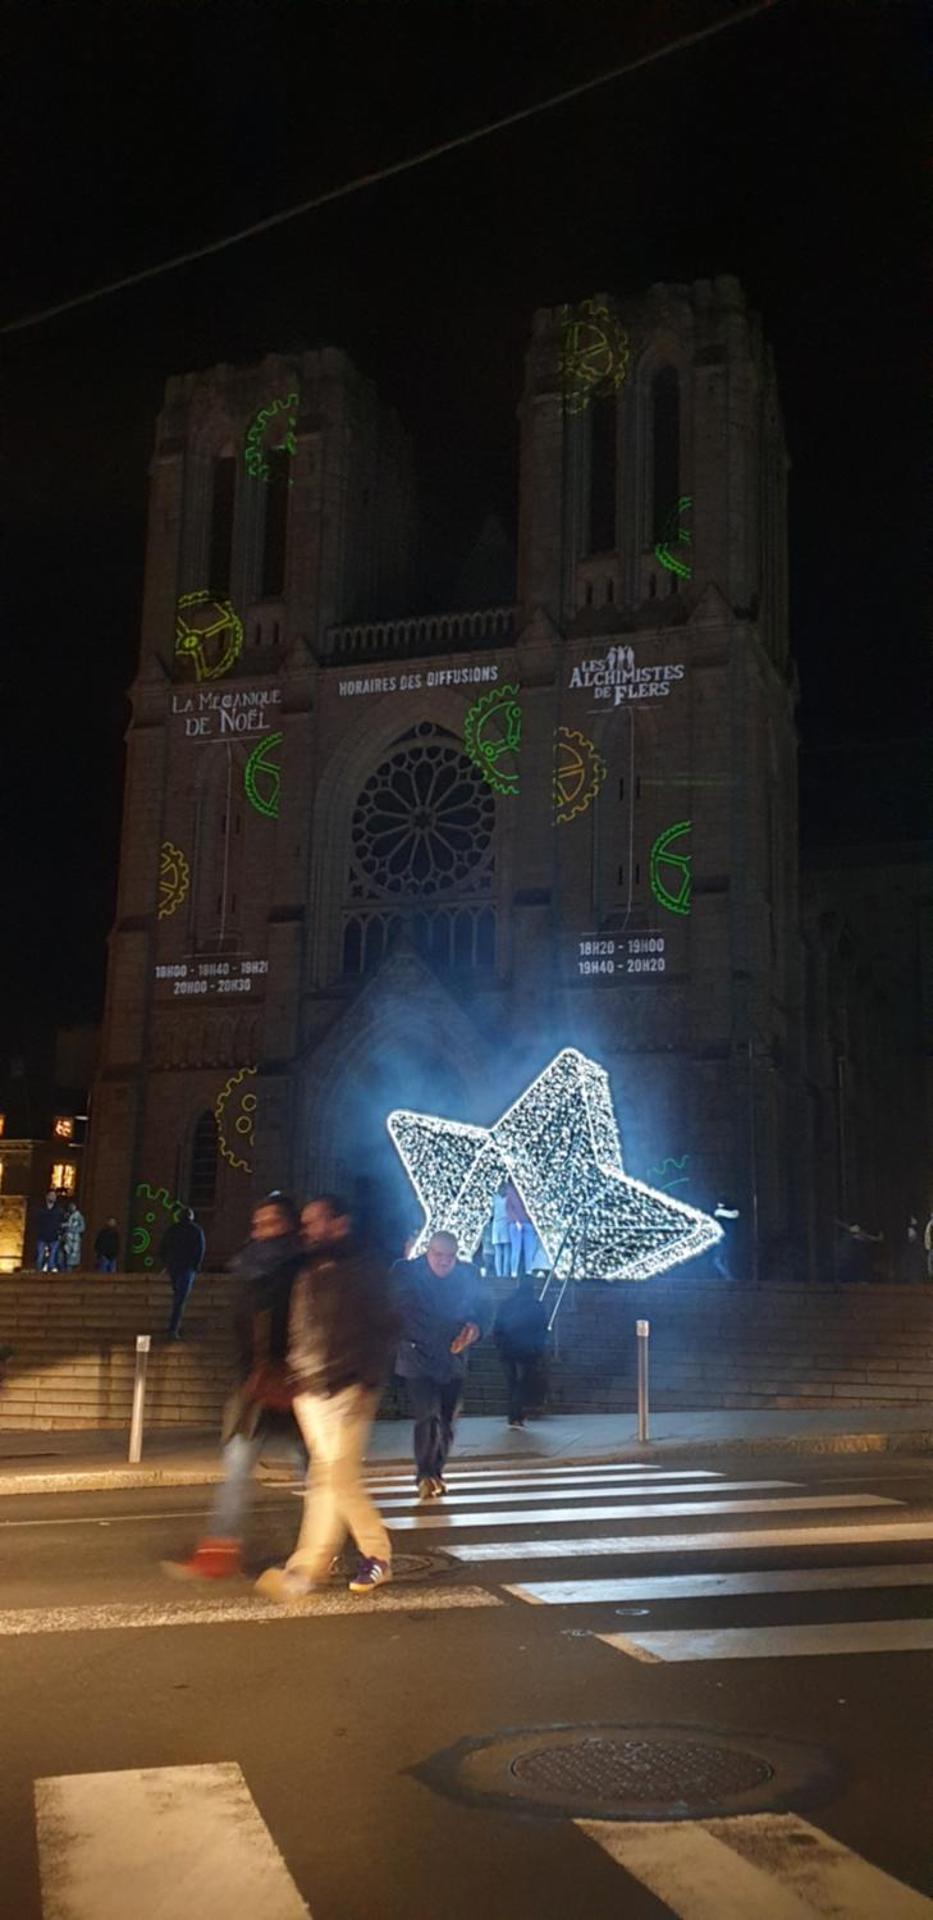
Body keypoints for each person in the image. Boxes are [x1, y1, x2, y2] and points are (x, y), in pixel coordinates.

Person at [257, 1193, 400, 1600]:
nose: (308, 1228)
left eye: (316, 1220)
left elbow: (386, 1326)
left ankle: (366, 1555)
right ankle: (319, 1564)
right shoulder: (305, 1268)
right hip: (310, 1390)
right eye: (304, 1221)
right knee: (329, 1476)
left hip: (348, 1388)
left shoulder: (365, 1268)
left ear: (340, 1223)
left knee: (333, 1475)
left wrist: (367, 1380)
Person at [164, 1193, 307, 1580]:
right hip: (257, 1383)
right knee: (237, 1465)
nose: (260, 1231)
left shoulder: (301, 1268)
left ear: (289, 1225)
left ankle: (315, 1552)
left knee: (314, 1474)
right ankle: (219, 1550)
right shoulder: (251, 1267)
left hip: (297, 1386)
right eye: (257, 1223)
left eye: (270, 1223)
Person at [392, 1229, 492, 1500]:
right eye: (438, 1255)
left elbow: (485, 1309)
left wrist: (476, 1329)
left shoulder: (468, 1275)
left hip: (453, 1358)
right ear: (428, 1252)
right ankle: (424, 1473)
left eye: (450, 1256)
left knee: (448, 1418)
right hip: (418, 1357)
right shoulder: (407, 1273)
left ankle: (436, 1470)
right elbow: (401, 1310)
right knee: (427, 1414)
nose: (444, 1262)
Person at [494, 1273, 550, 1428]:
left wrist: (499, 1344)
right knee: (522, 1382)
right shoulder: (536, 1306)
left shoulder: (507, 1304)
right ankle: (517, 1414)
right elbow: (542, 1328)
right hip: (528, 1351)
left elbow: (498, 1326)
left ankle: (513, 1414)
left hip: (507, 1349)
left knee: (511, 1382)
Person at [160, 1205, 206, 1338]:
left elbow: (163, 1246)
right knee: (180, 1297)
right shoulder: (196, 1230)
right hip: (187, 1267)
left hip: (174, 1265)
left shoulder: (172, 1229)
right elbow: (200, 1249)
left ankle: (173, 1326)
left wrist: (166, 1262)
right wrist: (197, 1265)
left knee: (178, 1294)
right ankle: (173, 1328)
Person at [506, 1182, 537, 1278]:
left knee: (526, 1250)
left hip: (525, 1223)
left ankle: (526, 1271)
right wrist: (516, 1221)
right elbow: (509, 1208)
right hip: (522, 1223)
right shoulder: (512, 1191)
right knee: (518, 1249)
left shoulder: (511, 1191)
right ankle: (515, 1272)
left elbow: (508, 1208)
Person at [35, 1192, 64, 1272]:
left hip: (54, 1236)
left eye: (54, 1196)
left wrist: (60, 1233)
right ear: (47, 1197)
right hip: (42, 1236)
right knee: (40, 1257)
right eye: (51, 1196)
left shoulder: (59, 1210)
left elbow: (61, 1222)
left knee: (52, 1257)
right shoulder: (40, 1209)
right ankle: (38, 1274)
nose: (53, 1197)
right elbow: (36, 1222)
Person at [713, 1200, 740, 1280]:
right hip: (722, 1239)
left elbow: (734, 1214)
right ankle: (727, 1276)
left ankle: (727, 1276)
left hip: (726, 1238)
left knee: (723, 1258)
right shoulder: (719, 1212)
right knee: (719, 1259)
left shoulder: (725, 1212)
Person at [490, 1182, 511, 1278]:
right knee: (501, 1251)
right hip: (499, 1224)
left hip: (503, 1224)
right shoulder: (496, 1198)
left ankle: (503, 1274)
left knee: (504, 1251)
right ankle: (501, 1274)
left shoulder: (496, 1198)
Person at [60, 1201, 86, 1272]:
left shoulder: (79, 1217)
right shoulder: (66, 1215)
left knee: (71, 1259)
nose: (71, 1207)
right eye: (70, 1206)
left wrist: (72, 1229)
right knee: (62, 1258)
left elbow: (82, 1228)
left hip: (74, 1240)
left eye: (73, 1206)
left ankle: (69, 1273)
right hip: (65, 1239)